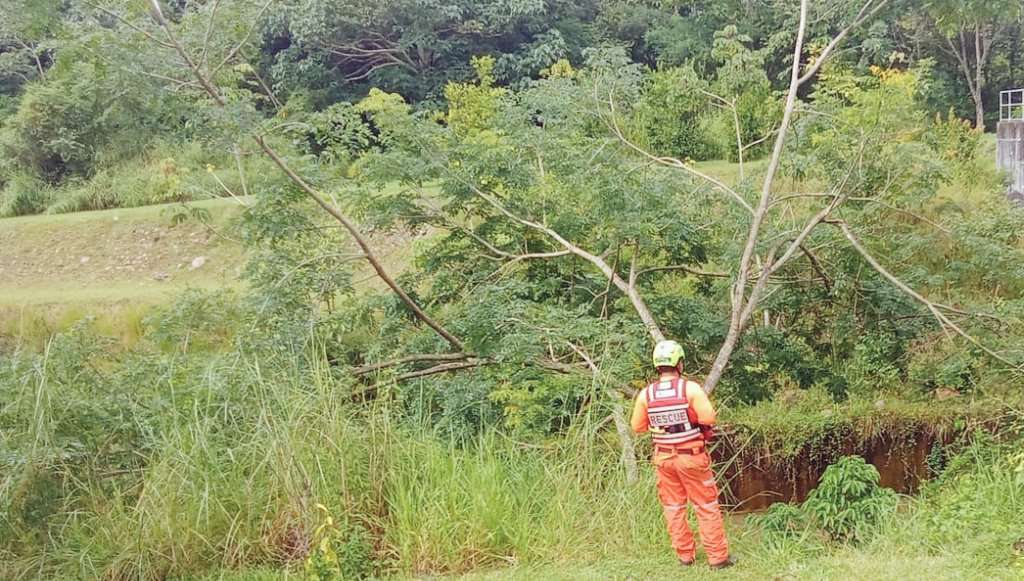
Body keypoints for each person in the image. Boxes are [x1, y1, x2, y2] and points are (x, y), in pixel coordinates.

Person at [630, 340, 735, 569]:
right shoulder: (690, 389)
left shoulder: (646, 394)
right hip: (692, 457)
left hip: (664, 459)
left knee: (674, 508)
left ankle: (685, 557)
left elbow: (637, 427)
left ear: (657, 365)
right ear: (679, 363)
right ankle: (718, 558)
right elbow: (708, 418)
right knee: (706, 505)